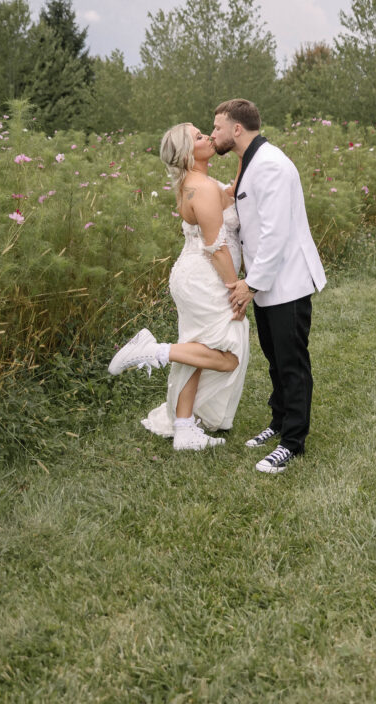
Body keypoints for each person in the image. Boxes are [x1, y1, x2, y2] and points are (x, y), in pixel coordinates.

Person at [107, 123, 249, 452]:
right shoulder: (199, 187)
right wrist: (235, 290)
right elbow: (217, 248)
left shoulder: (197, 182)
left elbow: (229, 195)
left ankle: (184, 429)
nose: (208, 137)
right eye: (199, 137)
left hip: (193, 275)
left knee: (196, 350)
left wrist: (243, 151)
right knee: (228, 356)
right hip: (206, 277)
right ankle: (153, 351)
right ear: (187, 153)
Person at [211, 99, 326, 474]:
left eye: (217, 128)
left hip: (287, 282)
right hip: (266, 284)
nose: (214, 135)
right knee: (275, 360)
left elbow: (276, 233)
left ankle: (292, 442)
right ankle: (278, 423)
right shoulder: (251, 163)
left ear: (237, 129)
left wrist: (250, 285)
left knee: (292, 363)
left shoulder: (272, 165)